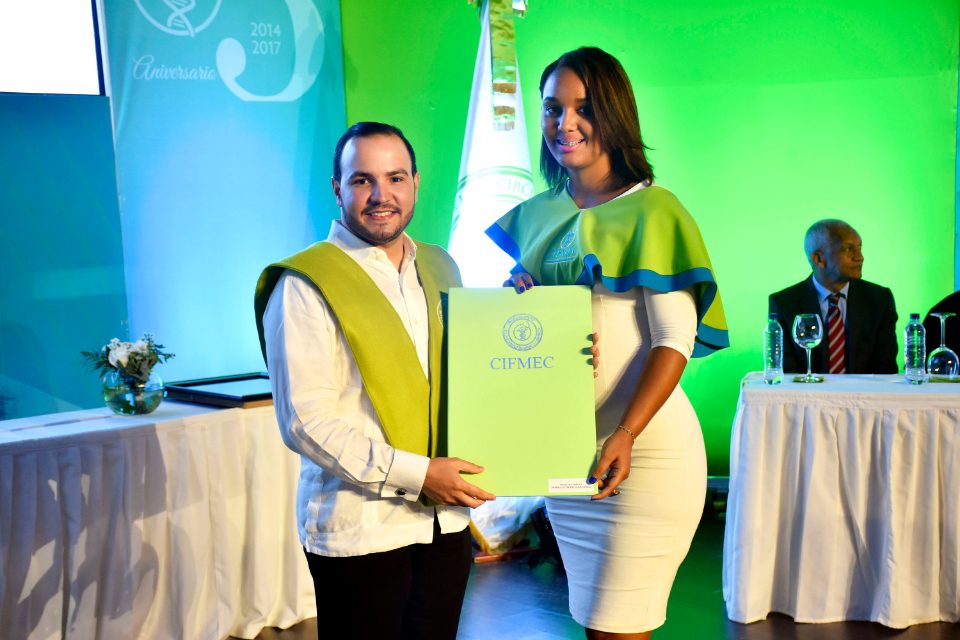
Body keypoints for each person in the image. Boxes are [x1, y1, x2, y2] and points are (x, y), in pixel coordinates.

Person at [485, 47, 728, 640]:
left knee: (620, 626)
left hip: (642, 455)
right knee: (595, 623)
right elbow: (532, 343)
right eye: (552, 108)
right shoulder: (537, 215)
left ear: (614, 113)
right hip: (566, 464)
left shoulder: (655, 209)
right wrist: (518, 303)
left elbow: (673, 339)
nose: (564, 123)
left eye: (583, 108)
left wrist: (626, 433)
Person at [254, 121, 495, 640]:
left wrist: (555, 343)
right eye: (362, 180)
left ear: (416, 183)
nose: (381, 195)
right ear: (337, 188)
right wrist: (418, 474)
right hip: (361, 529)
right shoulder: (304, 283)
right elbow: (305, 422)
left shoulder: (441, 266)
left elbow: (473, 377)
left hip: (446, 522)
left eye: (395, 178)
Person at [769, 219, 898, 374]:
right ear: (819, 259)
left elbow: (885, 370)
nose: (860, 257)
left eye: (859, 248)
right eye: (849, 249)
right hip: (806, 390)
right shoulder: (784, 303)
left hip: (866, 390)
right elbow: (786, 373)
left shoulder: (880, 300)